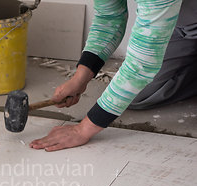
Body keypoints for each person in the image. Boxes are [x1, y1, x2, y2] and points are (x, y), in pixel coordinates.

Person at [30, 0, 197, 152]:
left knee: (136, 79)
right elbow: (110, 18)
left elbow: (141, 64)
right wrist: (80, 78)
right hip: (185, 26)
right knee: (138, 95)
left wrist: (82, 130)